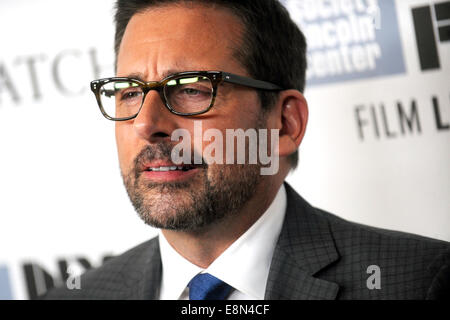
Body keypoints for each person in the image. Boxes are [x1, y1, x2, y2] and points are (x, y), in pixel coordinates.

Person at [43, 0, 449, 300]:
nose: (147, 125)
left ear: (285, 124)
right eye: (130, 93)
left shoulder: (417, 283)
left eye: (191, 89)